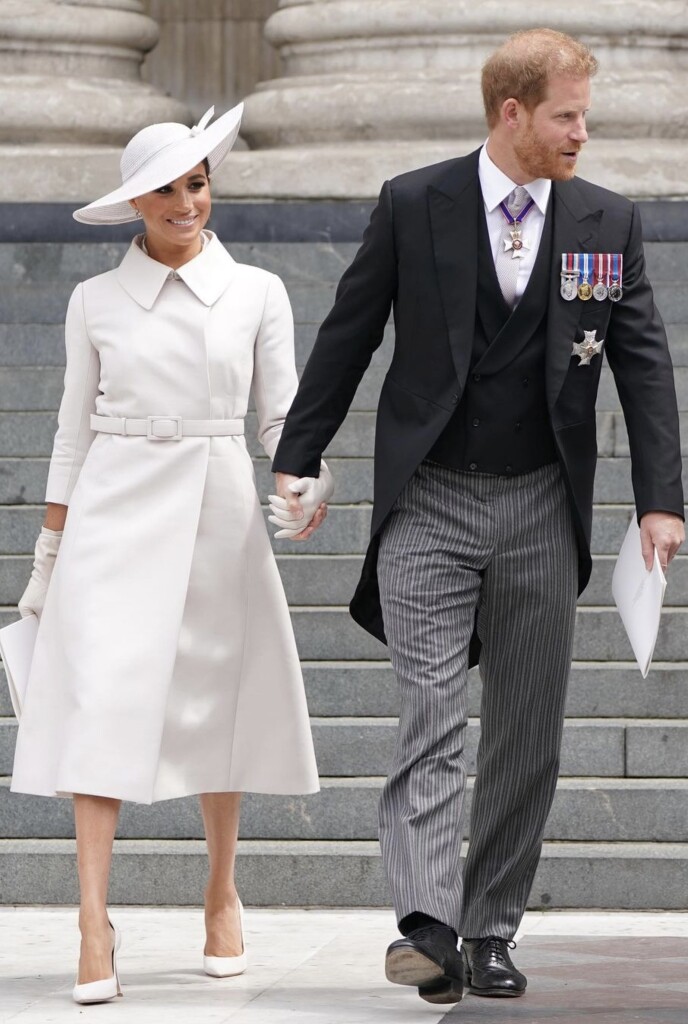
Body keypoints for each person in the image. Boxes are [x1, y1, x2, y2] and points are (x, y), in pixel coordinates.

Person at [269, 28, 685, 1006]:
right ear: (512, 113)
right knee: (429, 712)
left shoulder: (605, 219)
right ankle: (426, 925)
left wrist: (662, 499)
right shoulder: (415, 203)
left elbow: (643, 364)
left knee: (525, 733)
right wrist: (299, 450)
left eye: (584, 116)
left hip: (541, 500)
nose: (581, 133)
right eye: (566, 115)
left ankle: (490, 929)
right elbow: (348, 332)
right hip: (429, 499)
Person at [11, 104, 327, 1005]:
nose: (187, 202)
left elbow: (280, 415)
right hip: (110, 508)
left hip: (218, 507)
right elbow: (71, 433)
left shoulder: (259, 290)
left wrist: (305, 478)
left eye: (198, 183)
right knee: (99, 704)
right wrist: (47, 554)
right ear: (135, 204)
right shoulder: (93, 300)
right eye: (167, 190)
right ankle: (92, 920)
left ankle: (222, 892)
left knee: (216, 704)